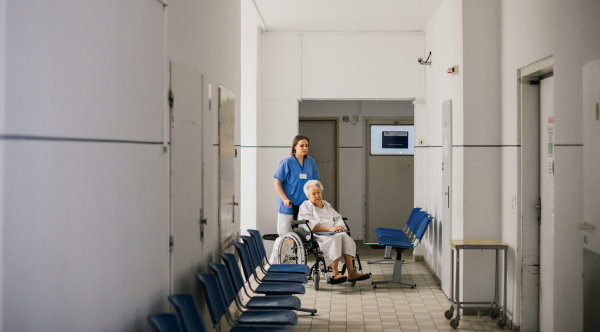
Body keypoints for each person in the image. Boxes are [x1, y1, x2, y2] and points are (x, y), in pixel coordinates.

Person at [298, 180, 370, 284]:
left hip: (333, 232)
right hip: (318, 235)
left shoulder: (326, 204)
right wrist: (330, 229)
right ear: (308, 196)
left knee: (344, 236)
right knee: (337, 237)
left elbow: (338, 218)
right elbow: (310, 227)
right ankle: (335, 273)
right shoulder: (305, 206)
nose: (317, 195)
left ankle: (351, 272)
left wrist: (339, 226)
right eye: (313, 193)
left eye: (319, 192)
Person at [269, 135, 319, 264]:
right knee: (285, 238)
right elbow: (277, 183)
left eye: (306, 146)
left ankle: (298, 265)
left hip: (304, 207)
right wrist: (285, 199)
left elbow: (314, 183)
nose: (304, 148)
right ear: (294, 147)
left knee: (303, 239)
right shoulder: (287, 163)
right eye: (301, 145)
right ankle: (274, 265)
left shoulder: (311, 162)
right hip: (288, 206)